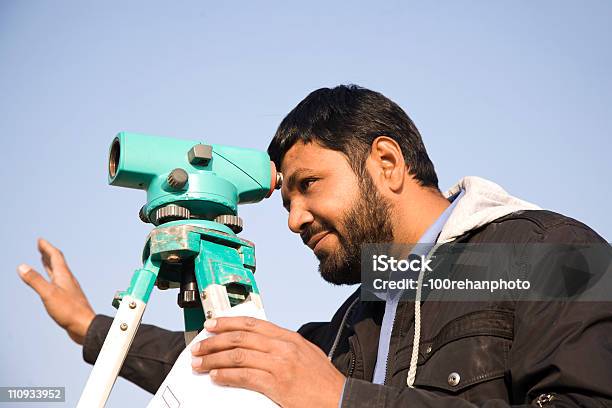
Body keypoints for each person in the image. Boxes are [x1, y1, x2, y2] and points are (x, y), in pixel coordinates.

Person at [19, 85, 612, 407]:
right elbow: (216, 358)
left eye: (309, 186)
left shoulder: (541, 255)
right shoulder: (363, 315)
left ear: (386, 162)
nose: (294, 219)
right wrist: (88, 327)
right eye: (284, 200)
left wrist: (339, 399)